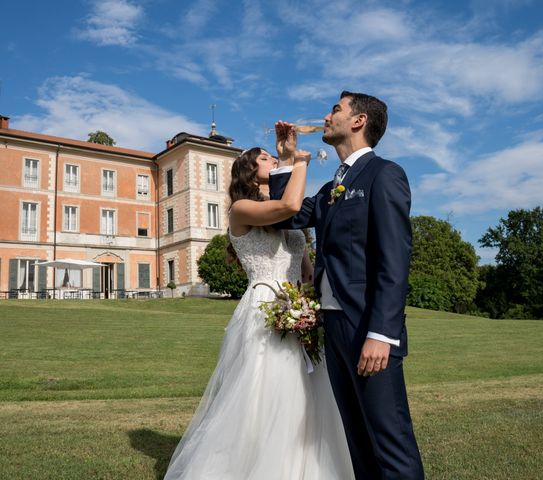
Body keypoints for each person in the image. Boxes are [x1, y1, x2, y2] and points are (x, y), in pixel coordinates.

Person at [163, 122, 354, 480]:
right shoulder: (241, 209)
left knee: (307, 389)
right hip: (264, 308)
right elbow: (291, 203)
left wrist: (308, 303)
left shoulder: (288, 220)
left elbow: (305, 266)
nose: (270, 158)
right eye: (264, 158)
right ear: (250, 172)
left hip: (297, 305)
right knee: (267, 390)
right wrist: (298, 161)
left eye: (271, 156)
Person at [269, 92, 425, 479]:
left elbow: (394, 258)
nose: (326, 115)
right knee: (356, 439)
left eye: (335, 109)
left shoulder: (384, 174)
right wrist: (286, 160)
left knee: (390, 441)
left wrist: (382, 334)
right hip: (333, 327)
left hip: (367, 327)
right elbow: (284, 216)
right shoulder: (329, 190)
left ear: (358, 121)